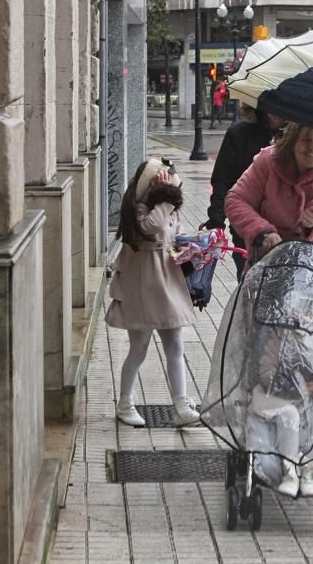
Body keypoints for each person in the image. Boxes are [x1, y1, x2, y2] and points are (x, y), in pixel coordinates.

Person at [106, 158, 200, 427]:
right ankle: (125, 403)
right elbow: (152, 227)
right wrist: (166, 197)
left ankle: (181, 405)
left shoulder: (163, 206)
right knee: (139, 347)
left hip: (166, 282)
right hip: (143, 284)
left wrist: (194, 243)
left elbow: (171, 232)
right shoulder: (139, 207)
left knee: (175, 344)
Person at [224, 123, 313, 271]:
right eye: (305, 139)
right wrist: (261, 231)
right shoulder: (269, 161)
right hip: (270, 266)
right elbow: (236, 200)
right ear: (292, 141)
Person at [249, 326, 313, 497]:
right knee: (289, 415)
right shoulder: (279, 335)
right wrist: (295, 387)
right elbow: (266, 372)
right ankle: (290, 473)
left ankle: (310, 471)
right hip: (281, 396)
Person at [203, 104, 286, 280]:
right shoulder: (239, 133)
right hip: (247, 225)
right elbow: (223, 179)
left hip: (286, 227)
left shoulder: (300, 137)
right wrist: (216, 220)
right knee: (250, 283)